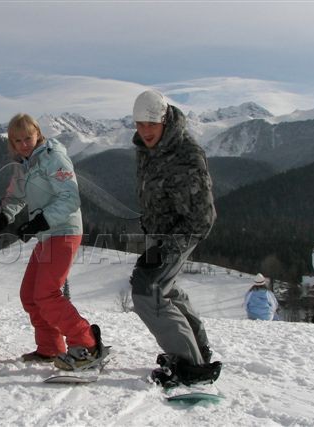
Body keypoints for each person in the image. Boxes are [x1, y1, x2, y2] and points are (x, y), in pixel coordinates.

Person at [0, 113, 106, 371]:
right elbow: (16, 196)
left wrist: (40, 221)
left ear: (38, 134)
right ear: (11, 142)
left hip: (64, 231)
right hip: (47, 234)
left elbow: (70, 198)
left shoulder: (53, 157)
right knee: (30, 295)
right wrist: (4, 216)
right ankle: (50, 348)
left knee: (46, 293)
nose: (24, 144)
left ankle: (87, 344)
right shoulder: (23, 164)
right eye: (17, 140)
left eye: (28, 138)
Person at [129, 90, 221, 387]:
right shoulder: (146, 147)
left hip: (180, 235)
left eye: (151, 124)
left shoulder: (186, 154)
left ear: (165, 120)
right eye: (140, 124)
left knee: (148, 291)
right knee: (165, 290)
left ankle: (190, 366)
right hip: (158, 234)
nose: (145, 131)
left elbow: (202, 218)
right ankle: (198, 349)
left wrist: (167, 249)